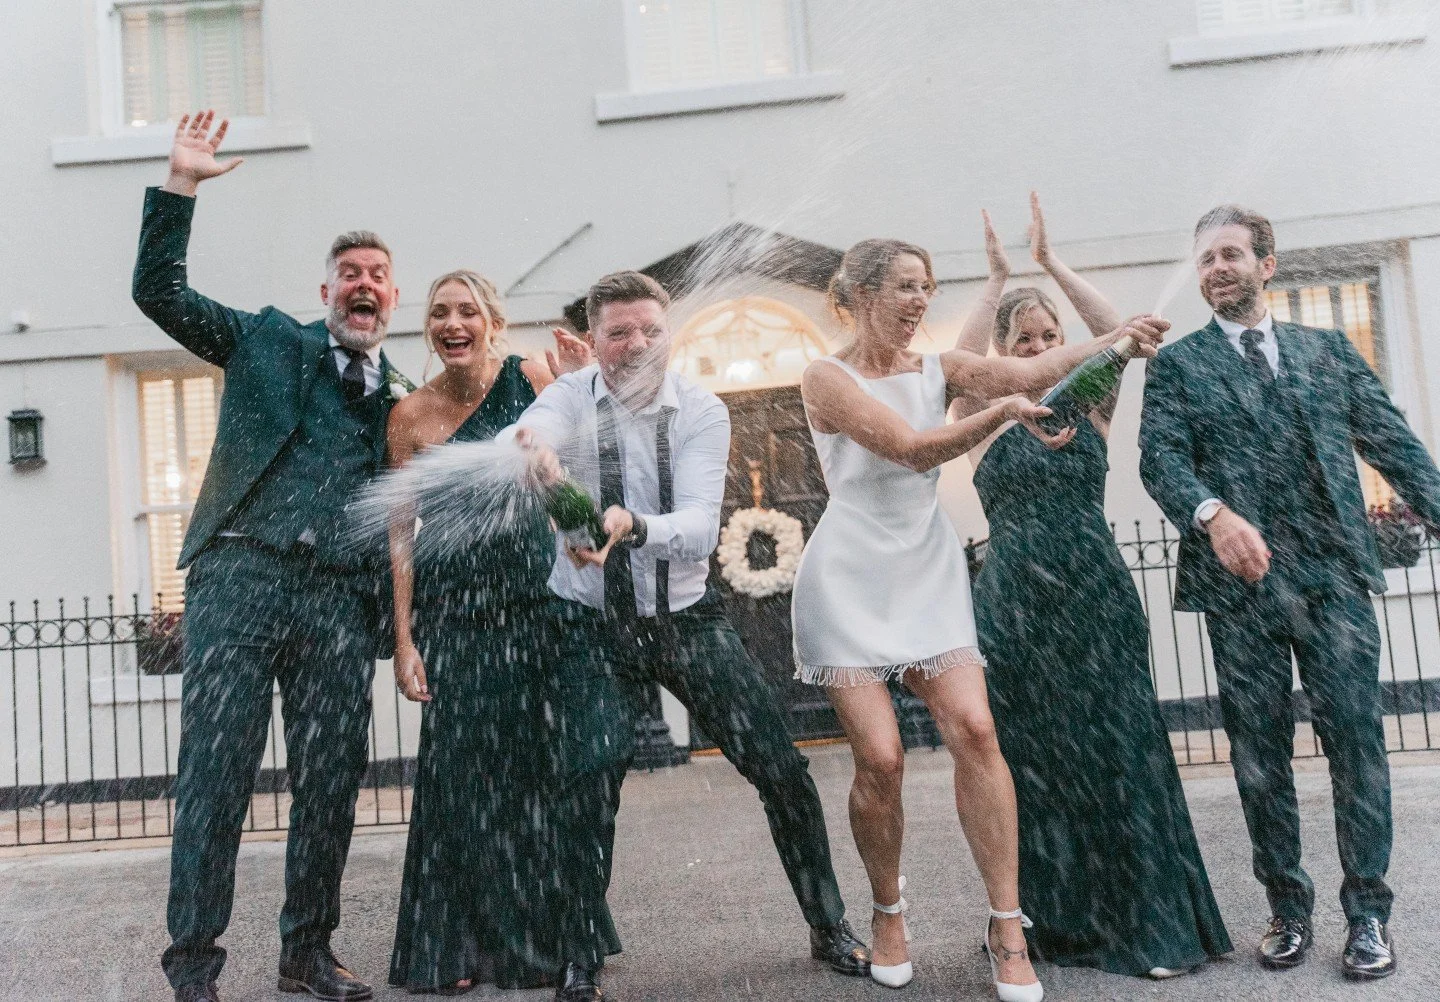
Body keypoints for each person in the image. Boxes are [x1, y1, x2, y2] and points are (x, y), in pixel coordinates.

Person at [792, 236, 1166, 1002]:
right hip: (849, 577)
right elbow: (908, 449)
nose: (920, 300)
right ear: (861, 293)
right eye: (904, 286)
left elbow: (1029, 370)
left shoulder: (941, 368)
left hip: (926, 571)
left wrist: (1118, 341)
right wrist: (997, 412)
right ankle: (889, 911)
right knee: (883, 759)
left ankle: (1007, 925)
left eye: (927, 287)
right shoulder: (824, 377)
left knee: (976, 730)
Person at [507, 270, 872, 1002]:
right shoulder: (567, 396)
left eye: (650, 329)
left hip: (687, 618)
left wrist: (630, 525)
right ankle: (580, 951)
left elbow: (702, 527)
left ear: (668, 334)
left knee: (782, 770)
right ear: (595, 340)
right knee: (586, 777)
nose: (637, 344)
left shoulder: (702, 410)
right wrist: (536, 457)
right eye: (619, 332)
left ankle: (828, 922)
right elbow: (527, 434)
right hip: (587, 625)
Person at [133, 111, 406, 1002]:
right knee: (215, 775)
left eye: (378, 278)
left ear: (391, 301)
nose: (363, 287)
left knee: (330, 783)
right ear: (323, 288)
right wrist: (180, 185)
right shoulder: (266, 339)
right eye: (350, 275)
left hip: (337, 600)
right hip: (241, 579)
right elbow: (159, 293)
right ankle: (193, 967)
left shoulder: (399, 398)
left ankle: (305, 955)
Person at [1140, 205, 1440, 981]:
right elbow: (1162, 461)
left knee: (1358, 748)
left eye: (1232, 254)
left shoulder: (1328, 351)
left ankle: (1368, 915)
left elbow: (1397, 449)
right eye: (1205, 258)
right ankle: (1288, 907)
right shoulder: (1178, 366)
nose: (1217, 269)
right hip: (1240, 594)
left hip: (1334, 579)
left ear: (1266, 265)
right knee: (1259, 758)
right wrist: (1211, 515)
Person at [956, 195, 1231, 979]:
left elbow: (1122, 330)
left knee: (1119, 751)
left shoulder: (1091, 402)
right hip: (1014, 601)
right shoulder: (985, 411)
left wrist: (1050, 265)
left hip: (1095, 595)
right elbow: (960, 363)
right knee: (1034, 758)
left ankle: (1146, 925)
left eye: (1049, 337)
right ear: (1007, 351)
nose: (1041, 347)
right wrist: (996, 281)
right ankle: (1058, 924)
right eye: (1025, 339)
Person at [386, 271, 596, 993]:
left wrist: (582, 388)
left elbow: (572, 464)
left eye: (466, 310)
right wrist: (405, 639)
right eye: (439, 312)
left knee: (539, 771)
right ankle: (462, 948)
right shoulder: (408, 416)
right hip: (456, 618)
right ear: (429, 328)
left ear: (492, 322)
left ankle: (549, 943)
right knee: (461, 783)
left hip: (534, 604)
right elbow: (400, 534)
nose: (453, 322)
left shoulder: (531, 377)